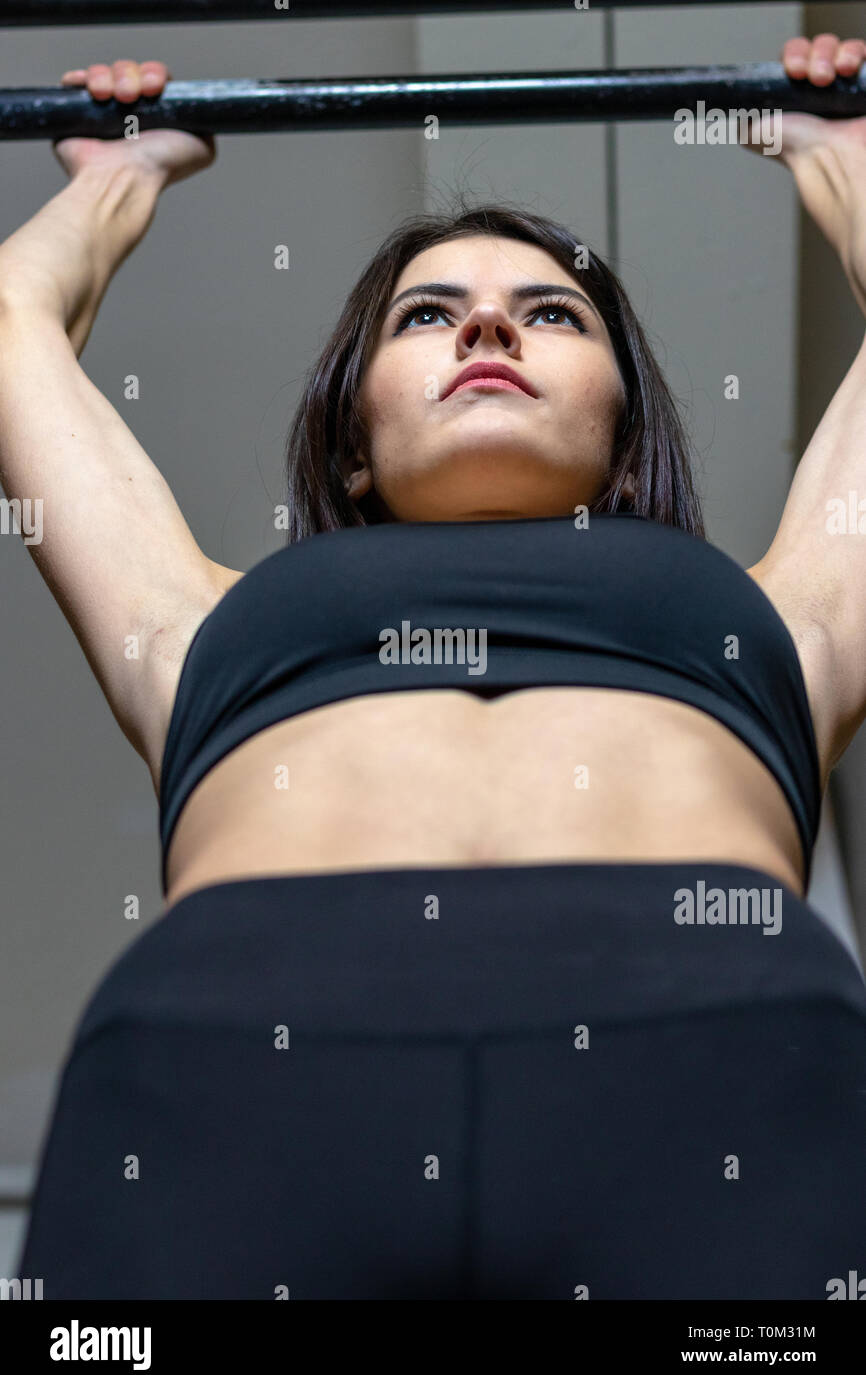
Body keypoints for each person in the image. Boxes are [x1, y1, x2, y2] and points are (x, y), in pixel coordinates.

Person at [6, 36, 866, 1299]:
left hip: (716, 1042)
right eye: (426, 313)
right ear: (352, 444)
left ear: (621, 432)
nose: (483, 323)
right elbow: (12, 329)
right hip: (233, 1061)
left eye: (551, 313)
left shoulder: (775, 621)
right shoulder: (196, 623)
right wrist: (116, 180)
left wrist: (836, 157)